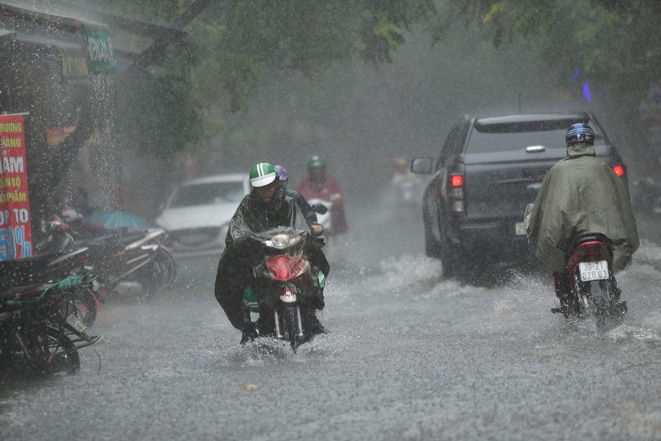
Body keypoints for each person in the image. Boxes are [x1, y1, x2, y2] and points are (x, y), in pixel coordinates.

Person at [526, 123, 639, 311]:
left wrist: (533, 224)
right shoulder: (602, 167)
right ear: (591, 141)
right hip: (603, 235)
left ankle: (567, 302)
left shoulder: (558, 170)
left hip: (572, 239)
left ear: (568, 143)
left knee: (560, 268)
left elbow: (542, 206)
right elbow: (622, 203)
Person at [214, 162, 329, 343]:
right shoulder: (246, 205)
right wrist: (247, 241)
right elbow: (237, 229)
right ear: (254, 188)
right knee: (234, 275)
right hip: (258, 253)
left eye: (269, 187)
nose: (265, 191)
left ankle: (312, 314)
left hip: (289, 251)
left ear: (276, 184)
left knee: (313, 268)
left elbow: (299, 225)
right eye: (260, 188)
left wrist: (306, 236)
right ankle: (246, 324)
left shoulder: (289, 201)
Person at [297, 155, 348, 236]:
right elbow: (298, 199)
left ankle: (338, 233)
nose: (317, 173)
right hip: (311, 214)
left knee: (338, 211)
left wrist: (333, 204)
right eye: (314, 170)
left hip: (328, 213)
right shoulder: (305, 184)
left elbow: (338, 198)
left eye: (319, 170)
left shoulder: (330, 181)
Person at [274, 164, 323, 236]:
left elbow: (308, 213)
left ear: (286, 181)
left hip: (293, 237)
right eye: (275, 184)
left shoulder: (295, 197)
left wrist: (311, 224)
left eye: (281, 183)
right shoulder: (259, 202)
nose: (278, 187)